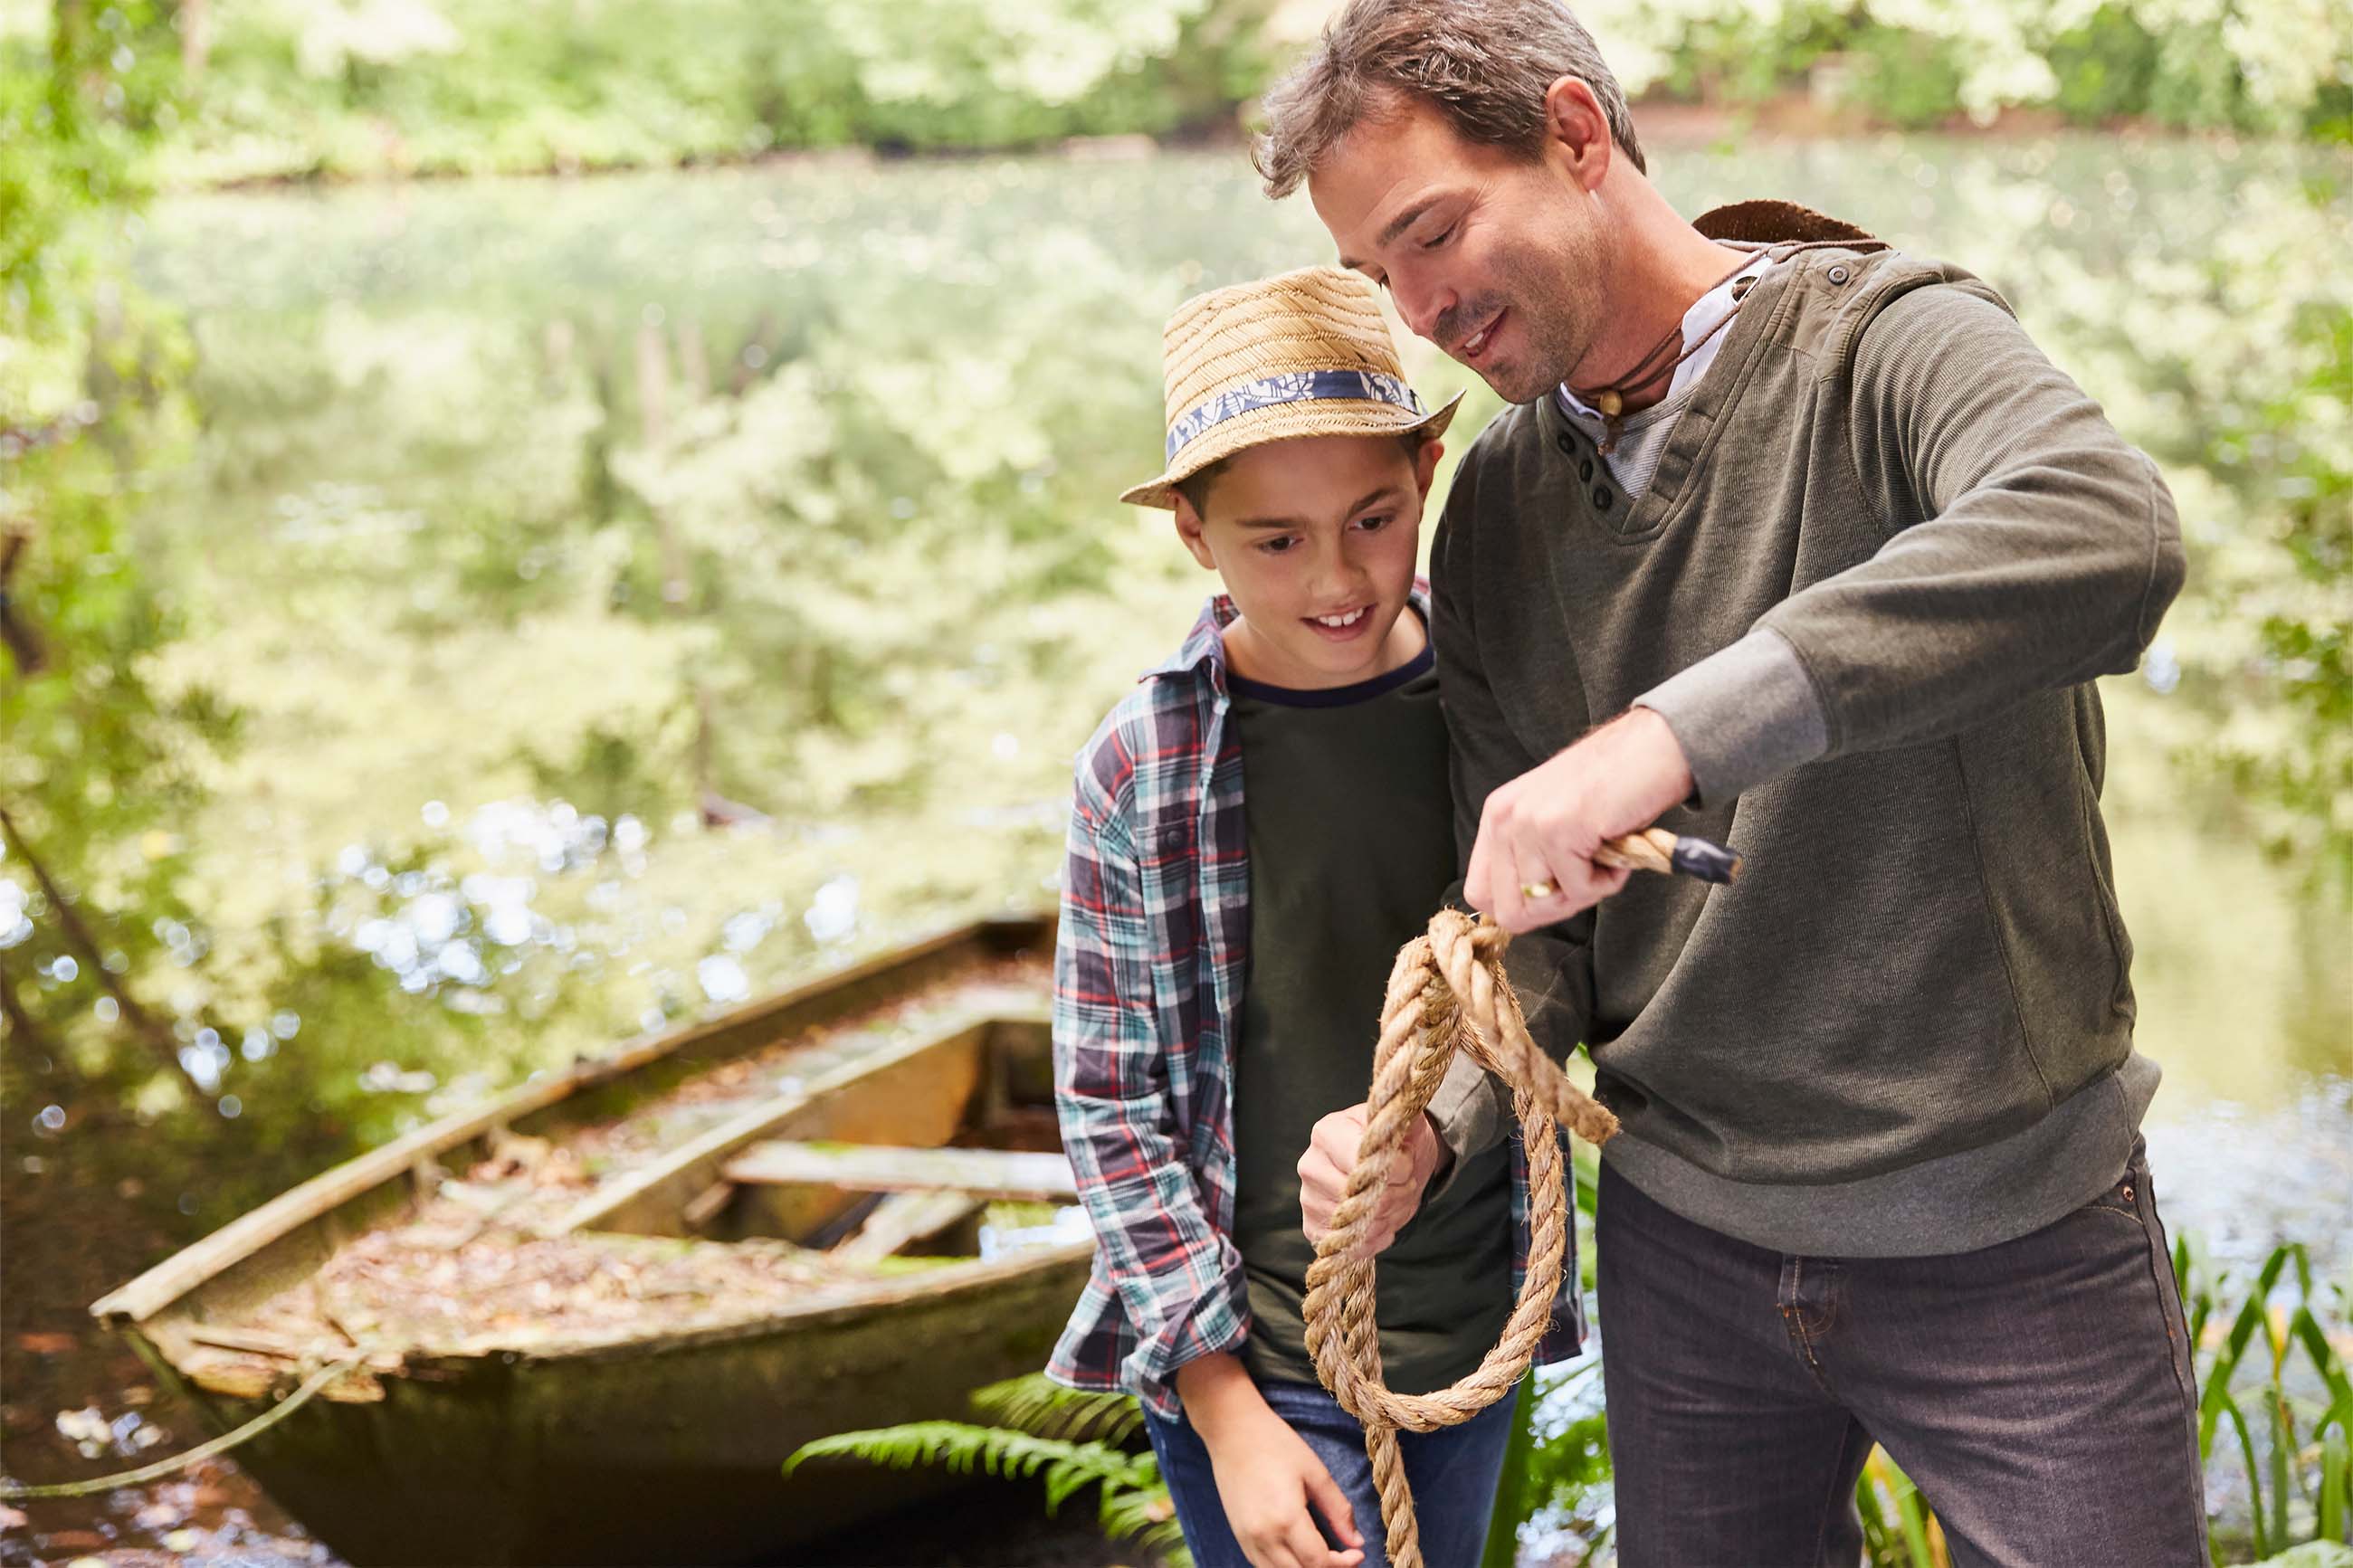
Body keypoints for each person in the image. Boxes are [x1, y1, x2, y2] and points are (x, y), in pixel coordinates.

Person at [1259, 4, 2205, 1563]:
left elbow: (2109, 531)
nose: (1419, 311)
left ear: (1576, 135)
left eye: (1433, 233)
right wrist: (1428, 1119)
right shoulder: (1493, 503)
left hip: (2010, 1235)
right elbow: (1529, 927)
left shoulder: (1889, 344)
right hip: (1686, 1245)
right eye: (1379, 275)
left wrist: (1670, 734)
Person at [1044, 265, 1577, 1568]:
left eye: (1374, 517)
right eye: (1274, 539)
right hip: (1263, 1351)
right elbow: (1112, 1108)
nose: (1338, 576)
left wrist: (1428, 1140)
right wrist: (1225, 1414)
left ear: (1429, 472)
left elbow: (1552, 980)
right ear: (1191, 530)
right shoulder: (1144, 767)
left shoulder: (1500, 710)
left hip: (1468, 1326)